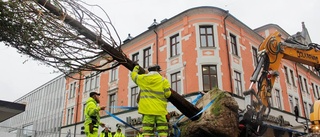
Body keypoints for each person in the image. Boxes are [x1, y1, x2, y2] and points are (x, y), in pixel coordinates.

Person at [131, 64, 172, 137]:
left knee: (147, 132)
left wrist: (136, 68)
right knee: (163, 132)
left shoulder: (143, 78)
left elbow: (133, 76)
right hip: (160, 111)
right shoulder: (164, 80)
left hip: (147, 111)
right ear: (157, 71)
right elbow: (168, 95)